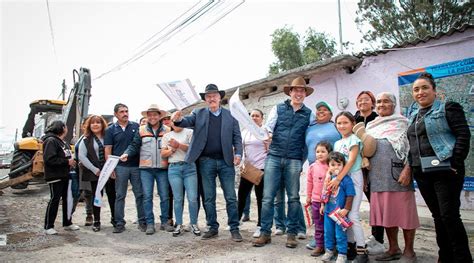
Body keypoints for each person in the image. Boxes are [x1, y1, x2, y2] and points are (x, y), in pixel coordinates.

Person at [406, 73, 472, 262]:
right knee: (438, 216)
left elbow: (463, 135)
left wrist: (455, 162)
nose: (420, 92)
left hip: (445, 171)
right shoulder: (414, 115)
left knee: (449, 216)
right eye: (416, 89)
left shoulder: (448, 108)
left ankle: (462, 258)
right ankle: (445, 256)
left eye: (425, 87)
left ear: (434, 90)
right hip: (422, 172)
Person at [171, 84, 243, 242]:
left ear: (220, 97)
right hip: (206, 162)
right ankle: (212, 227)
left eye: (214, 95)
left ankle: (234, 228)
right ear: (205, 99)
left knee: (231, 197)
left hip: (226, 162)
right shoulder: (198, 113)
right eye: (208, 96)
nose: (212, 98)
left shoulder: (231, 115)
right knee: (209, 197)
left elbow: (237, 137)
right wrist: (178, 119)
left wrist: (238, 153)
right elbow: (185, 122)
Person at [253, 76, 314, 248]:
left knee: (293, 198)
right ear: (290, 92)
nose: (298, 93)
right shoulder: (278, 108)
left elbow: (310, 139)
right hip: (274, 156)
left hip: (294, 159)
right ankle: (265, 233)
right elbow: (268, 128)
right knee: (267, 198)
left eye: (302, 91)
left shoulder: (309, 114)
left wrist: (304, 161)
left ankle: (292, 234)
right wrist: (266, 136)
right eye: (296, 90)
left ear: (305, 94)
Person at [366, 92, 419, 262]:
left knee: (405, 214)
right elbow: (366, 151)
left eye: (386, 101)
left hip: (399, 175)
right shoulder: (371, 126)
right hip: (377, 176)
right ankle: (393, 248)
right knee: (387, 214)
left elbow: (413, 148)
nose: (381, 104)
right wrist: (366, 177)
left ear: (394, 104)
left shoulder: (404, 123)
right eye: (379, 102)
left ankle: (409, 251)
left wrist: (408, 169)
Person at [120, 104, 173, 235]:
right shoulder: (141, 130)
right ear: (147, 117)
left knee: (165, 196)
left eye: (155, 114)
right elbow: (134, 145)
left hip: (162, 168)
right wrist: (127, 153)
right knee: (147, 196)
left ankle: (165, 222)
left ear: (160, 116)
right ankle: (150, 223)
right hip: (146, 169)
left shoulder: (167, 130)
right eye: (150, 115)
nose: (152, 117)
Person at [328, 112, 367, 262]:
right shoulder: (337, 143)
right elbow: (333, 163)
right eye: (339, 123)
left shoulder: (354, 140)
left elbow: (350, 162)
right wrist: (329, 176)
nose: (342, 126)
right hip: (341, 180)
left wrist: (338, 179)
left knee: (352, 215)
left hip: (353, 178)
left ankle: (362, 251)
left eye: (345, 122)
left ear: (352, 123)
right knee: (343, 214)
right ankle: (350, 246)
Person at [304, 101, 341, 250]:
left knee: (332, 207)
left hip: (332, 170)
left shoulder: (335, 126)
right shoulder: (310, 128)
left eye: (325, 110)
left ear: (331, 114)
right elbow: (304, 147)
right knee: (317, 209)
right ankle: (319, 240)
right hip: (315, 170)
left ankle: (333, 241)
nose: (321, 111)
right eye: (319, 109)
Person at [104, 103, 145, 233]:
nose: (125, 114)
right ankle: (119, 223)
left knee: (139, 194)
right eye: (121, 112)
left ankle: (142, 221)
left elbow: (137, 144)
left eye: (126, 111)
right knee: (120, 195)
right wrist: (110, 169)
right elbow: (108, 149)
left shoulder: (135, 126)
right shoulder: (110, 130)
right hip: (120, 167)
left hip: (136, 166)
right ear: (116, 114)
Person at [353, 91, 384, 253]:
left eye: (366, 99)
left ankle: (378, 238)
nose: (362, 102)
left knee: (376, 203)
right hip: (357, 167)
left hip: (376, 167)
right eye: (359, 100)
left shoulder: (378, 120)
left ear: (372, 103)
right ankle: (352, 239)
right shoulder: (353, 120)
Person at [161, 122, 201, 237]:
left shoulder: (190, 132)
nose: (177, 123)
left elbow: (194, 149)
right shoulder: (166, 136)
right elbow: (163, 153)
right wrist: (172, 150)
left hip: (189, 167)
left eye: (180, 121)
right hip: (174, 168)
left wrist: (178, 145)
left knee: (193, 198)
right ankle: (179, 224)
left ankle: (193, 223)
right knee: (178, 198)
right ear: (171, 123)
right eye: (175, 121)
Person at [43, 120, 79, 235]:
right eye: (66, 127)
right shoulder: (51, 141)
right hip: (55, 176)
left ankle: (67, 222)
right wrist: (66, 162)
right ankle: (49, 226)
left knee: (68, 200)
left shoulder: (63, 142)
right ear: (62, 128)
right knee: (55, 199)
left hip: (66, 175)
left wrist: (72, 162)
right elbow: (49, 159)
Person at [77, 115, 112, 232]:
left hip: (108, 170)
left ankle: (115, 218)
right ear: (89, 125)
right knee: (97, 196)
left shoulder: (108, 137)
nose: (95, 125)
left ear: (102, 124)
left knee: (113, 195)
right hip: (95, 173)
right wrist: (94, 169)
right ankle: (96, 221)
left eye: (98, 122)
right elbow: (81, 156)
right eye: (93, 123)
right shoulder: (85, 139)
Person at [237, 109, 268, 238]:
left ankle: (260, 226)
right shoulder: (245, 132)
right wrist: (242, 163)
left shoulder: (265, 132)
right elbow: (242, 149)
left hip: (262, 169)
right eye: (252, 116)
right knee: (242, 195)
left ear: (262, 118)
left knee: (261, 198)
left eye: (257, 116)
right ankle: (236, 221)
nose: (254, 118)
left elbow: (270, 149)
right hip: (248, 169)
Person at [320, 152, 355, 263]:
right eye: (333, 164)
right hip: (328, 212)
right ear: (329, 166)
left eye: (339, 164)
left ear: (343, 166)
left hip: (339, 213)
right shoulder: (328, 179)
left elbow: (350, 195)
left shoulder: (346, 180)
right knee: (328, 232)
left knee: (340, 234)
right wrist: (322, 205)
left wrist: (346, 209)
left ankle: (342, 254)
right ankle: (329, 251)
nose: (336, 167)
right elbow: (324, 193)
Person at [306, 141, 332, 257]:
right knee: (318, 225)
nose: (320, 154)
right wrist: (308, 196)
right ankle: (319, 245)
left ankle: (330, 247)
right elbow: (309, 182)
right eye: (317, 152)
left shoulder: (331, 167)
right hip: (316, 201)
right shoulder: (312, 167)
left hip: (330, 201)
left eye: (323, 151)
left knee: (329, 225)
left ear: (329, 153)